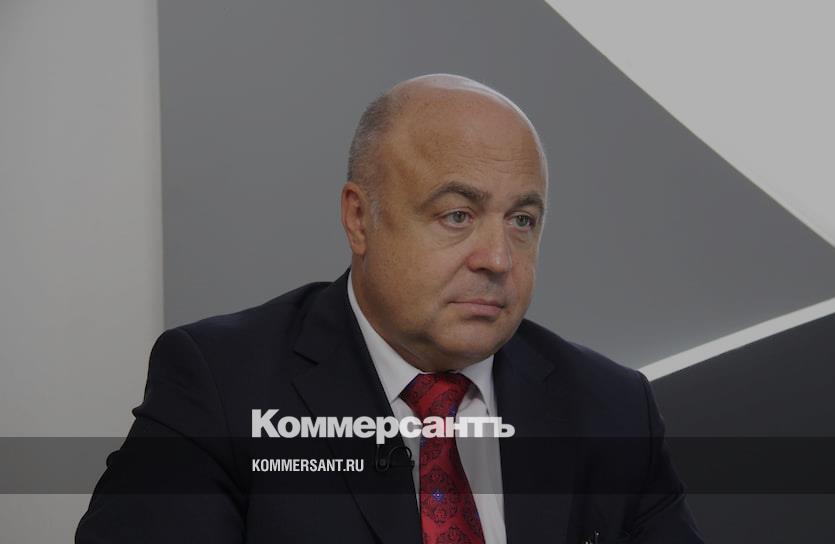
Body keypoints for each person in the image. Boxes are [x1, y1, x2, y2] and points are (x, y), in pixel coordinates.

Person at [76, 74, 704, 543]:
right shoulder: (221, 385)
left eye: (522, 221)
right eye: (456, 215)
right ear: (360, 218)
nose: (497, 258)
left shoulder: (612, 407)